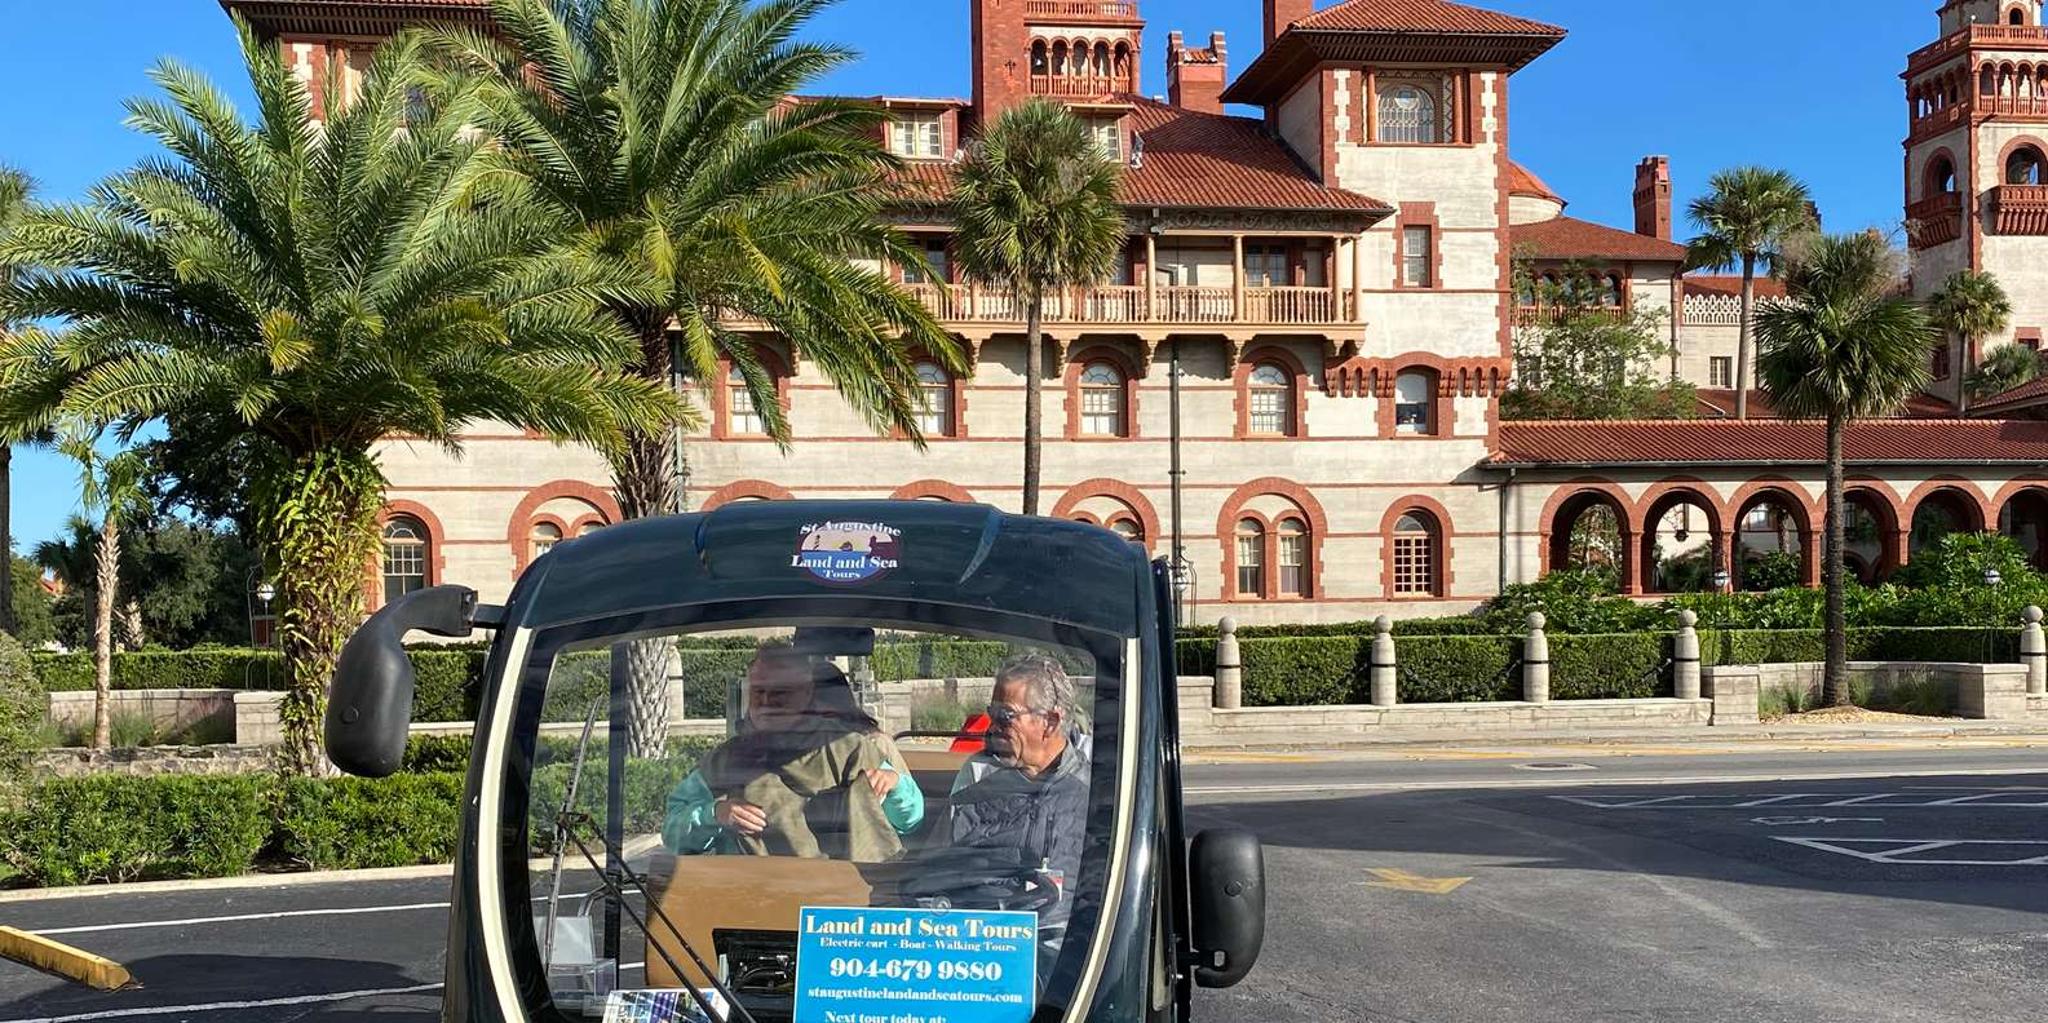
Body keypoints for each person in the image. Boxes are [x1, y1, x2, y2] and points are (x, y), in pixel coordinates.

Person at [662, 648, 923, 860]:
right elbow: (672, 832)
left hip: (842, 908)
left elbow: (911, 820)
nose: (766, 702)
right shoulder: (727, 760)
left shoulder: (850, 749)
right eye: (758, 692)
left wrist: (895, 785)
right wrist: (714, 814)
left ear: (807, 694)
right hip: (750, 901)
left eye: (779, 693)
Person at [947, 653, 1092, 956]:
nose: (994, 726)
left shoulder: (1094, 793)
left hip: (1068, 961)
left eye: (1006, 715)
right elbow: (939, 874)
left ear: (1049, 722)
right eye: (992, 713)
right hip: (979, 950)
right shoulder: (976, 780)